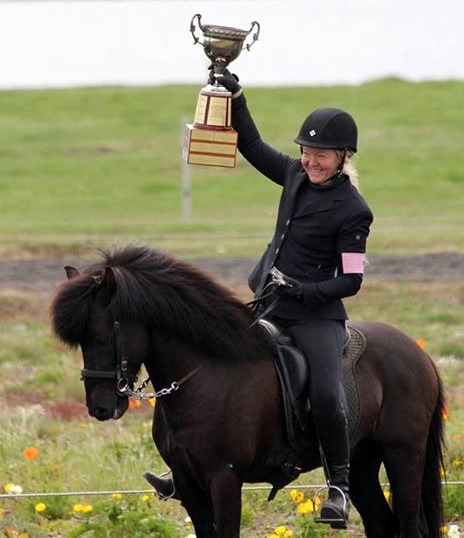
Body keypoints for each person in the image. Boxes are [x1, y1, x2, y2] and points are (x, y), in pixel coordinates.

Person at [145, 69, 373, 528]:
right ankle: (187, 468)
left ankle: (339, 486)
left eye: (321, 156)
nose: (310, 161)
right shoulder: (292, 175)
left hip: (316, 317)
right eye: (307, 152)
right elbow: (252, 146)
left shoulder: (354, 211)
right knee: (210, 368)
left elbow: (351, 282)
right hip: (269, 304)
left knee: (328, 393)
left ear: (343, 157)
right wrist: (236, 97)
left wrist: (303, 290)